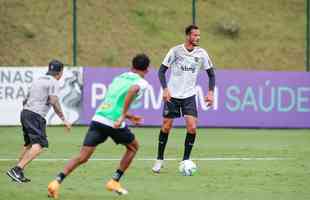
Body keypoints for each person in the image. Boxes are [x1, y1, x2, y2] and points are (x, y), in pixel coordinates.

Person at [47, 54, 151, 198]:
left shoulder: (119, 78)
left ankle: (56, 182)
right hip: (113, 122)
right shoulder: (142, 82)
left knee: (82, 157)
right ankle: (114, 181)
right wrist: (122, 116)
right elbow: (133, 90)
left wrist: (129, 116)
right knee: (133, 147)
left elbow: (113, 102)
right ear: (147, 70)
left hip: (98, 118)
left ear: (131, 66)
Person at [152, 24, 216, 173]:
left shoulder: (202, 54)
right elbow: (161, 71)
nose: (197, 38)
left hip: (189, 96)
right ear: (188, 36)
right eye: (195, 35)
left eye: (199, 35)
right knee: (166, 126)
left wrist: (211, 92)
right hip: (173, 95)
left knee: (192, 127)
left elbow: (211, 74)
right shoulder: (175, 51)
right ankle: (159, 159)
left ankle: (186, 160)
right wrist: (165, 89)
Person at [6, 60, 72, 183]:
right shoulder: (54, 82)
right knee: (40, 145)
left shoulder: (38, 80)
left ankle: (17, 174)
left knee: (29, 145)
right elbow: (53, 102)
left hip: (25, 112)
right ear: (60, 72)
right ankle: (17, 169)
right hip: (36, 115)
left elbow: (25, 100)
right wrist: (64, 119)